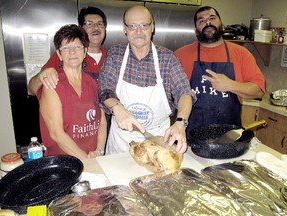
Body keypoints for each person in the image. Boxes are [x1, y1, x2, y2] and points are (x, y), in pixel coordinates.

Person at [98, 5, 195, 155]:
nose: (138, 32)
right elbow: (104, 89)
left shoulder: (168, 59)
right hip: (121, 143)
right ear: (125, 29)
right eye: (132, 26)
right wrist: (117, 108)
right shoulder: (115, 56)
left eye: (144, 25)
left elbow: (184, 93)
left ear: (152, 27)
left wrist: (181, 123)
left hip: (157, 142)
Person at [175, 6, 265, 136]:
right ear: (196, 31)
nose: (208, 22)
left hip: (228, 137)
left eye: (212, 18)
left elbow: (259, 91)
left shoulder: (241, 54)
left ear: (221, 25)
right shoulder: (180, 55)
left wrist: (230, 85)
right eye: (201, 21)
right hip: (189, 137)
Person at [37, 24, 107, 161]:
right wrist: (87, 161)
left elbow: (102, 123)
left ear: (85, 51)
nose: (72, 52)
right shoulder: (53, 85)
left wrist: (99, 151)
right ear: (59, 54)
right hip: (63, 163)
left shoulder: (94, 83)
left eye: (77, 47)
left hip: (93, 158)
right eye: (66, 48)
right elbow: (56, 133)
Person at [28, 6, 107, 94]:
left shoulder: (113, 57)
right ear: (81, 28)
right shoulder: (66, 55)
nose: (96, 28)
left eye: (100, 24)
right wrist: (41, 77)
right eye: (89, 24)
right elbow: (32, 89)